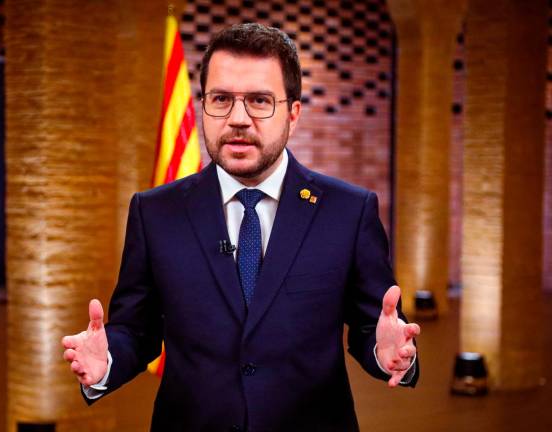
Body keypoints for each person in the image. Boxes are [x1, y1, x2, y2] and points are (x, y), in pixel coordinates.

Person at [61, 23, 420, 431]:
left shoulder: (349, 211)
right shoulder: (155, 212)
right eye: (221, 99)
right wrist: (106, 360)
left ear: (293, 114)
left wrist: (387, 352)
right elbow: (137, 330)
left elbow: (373, 327)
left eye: (259, 101)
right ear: (203, 107)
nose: (238, 119)